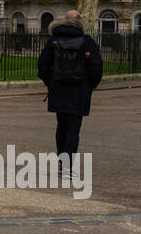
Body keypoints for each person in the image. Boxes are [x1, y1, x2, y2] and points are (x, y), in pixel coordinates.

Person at [37, 10, 104, 178]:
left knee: (61, 126)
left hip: (58, 87)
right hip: (80, 89)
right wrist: (90, 85)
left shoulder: (53, 40)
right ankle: (67, 168)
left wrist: (51, 82)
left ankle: (62, 163)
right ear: (80, 21)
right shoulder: (87, 42)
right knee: (73, 129)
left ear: (64, 20)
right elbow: (96, 68)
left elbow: (42, 66)